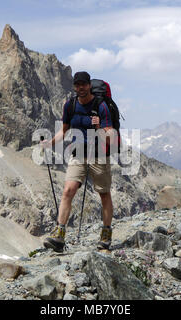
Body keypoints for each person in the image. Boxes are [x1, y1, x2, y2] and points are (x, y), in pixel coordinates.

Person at [41, 71, 115, 252]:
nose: (80, 88)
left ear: (89, 85)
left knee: (104, 194)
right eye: (77, 85)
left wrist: (98, 127)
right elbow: (64, 130)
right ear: (74, 87)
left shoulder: (101, 106)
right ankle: (59, 234)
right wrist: (50, 142)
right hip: (77, 154)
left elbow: (110, 137)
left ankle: (106, 235)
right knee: (68, 190)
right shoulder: (70, 105)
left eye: (83, 84)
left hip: (99, 155)